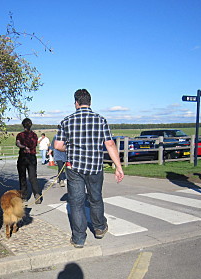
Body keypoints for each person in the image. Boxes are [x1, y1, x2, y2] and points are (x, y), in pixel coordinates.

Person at [54, 89, 124, 248]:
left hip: (74, 168)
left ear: (76, 102)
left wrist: (71, 149)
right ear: (90, 102)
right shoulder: (101, 120)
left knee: (76, 203)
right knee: (95, 198)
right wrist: (118, 167)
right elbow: (110, 144)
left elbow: (58, 145)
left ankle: (79, 238)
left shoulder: (66, 121)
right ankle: (99, 228)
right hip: (95, 167)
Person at [16, 118, 42, 204]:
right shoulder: (34, 135)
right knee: (33, 177)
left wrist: (23, 147)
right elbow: (34, 144)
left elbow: (18, 143)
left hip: (23, 157)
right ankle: (37, 195)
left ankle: (24, 196)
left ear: (23, 125)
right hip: (32, 157)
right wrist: (27, 147)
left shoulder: (20, 135)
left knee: (22, 177)